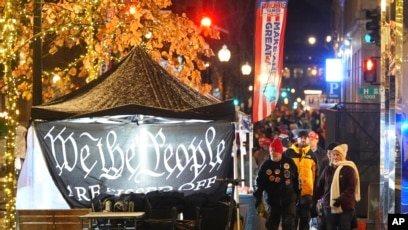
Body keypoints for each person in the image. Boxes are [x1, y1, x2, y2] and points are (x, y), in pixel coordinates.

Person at [254, 139, 301, 230]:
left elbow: (296, 180)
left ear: (280, 152)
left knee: (289, 225)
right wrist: (258, 198)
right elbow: (259, 183)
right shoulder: (266, 165)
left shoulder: (289, 163)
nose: (273, 154)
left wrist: (298, 195)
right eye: (271, 152)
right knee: (272, 225)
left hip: (289, 200)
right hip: (272, 201)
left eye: (275, 152)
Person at [312, 144, 361, 230]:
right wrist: (313, 201)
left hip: (345, 207)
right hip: (329, 205)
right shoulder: (328, 169)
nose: (335, 157)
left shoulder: (349, 169)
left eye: (337, 154)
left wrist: (340, 200)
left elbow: (350, 188)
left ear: (342, 156)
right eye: (333, 154)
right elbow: (320, 186)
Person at [285, 130, 318, 230]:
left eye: (305, 138)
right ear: (297, 139)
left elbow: (315, 175)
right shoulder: (289, 153)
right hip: (291, 192)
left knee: (305, 219)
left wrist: (315, 194)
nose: (303, 140)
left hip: (307, 193)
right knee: (292, 219)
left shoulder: (312, 155)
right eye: (301, 137)